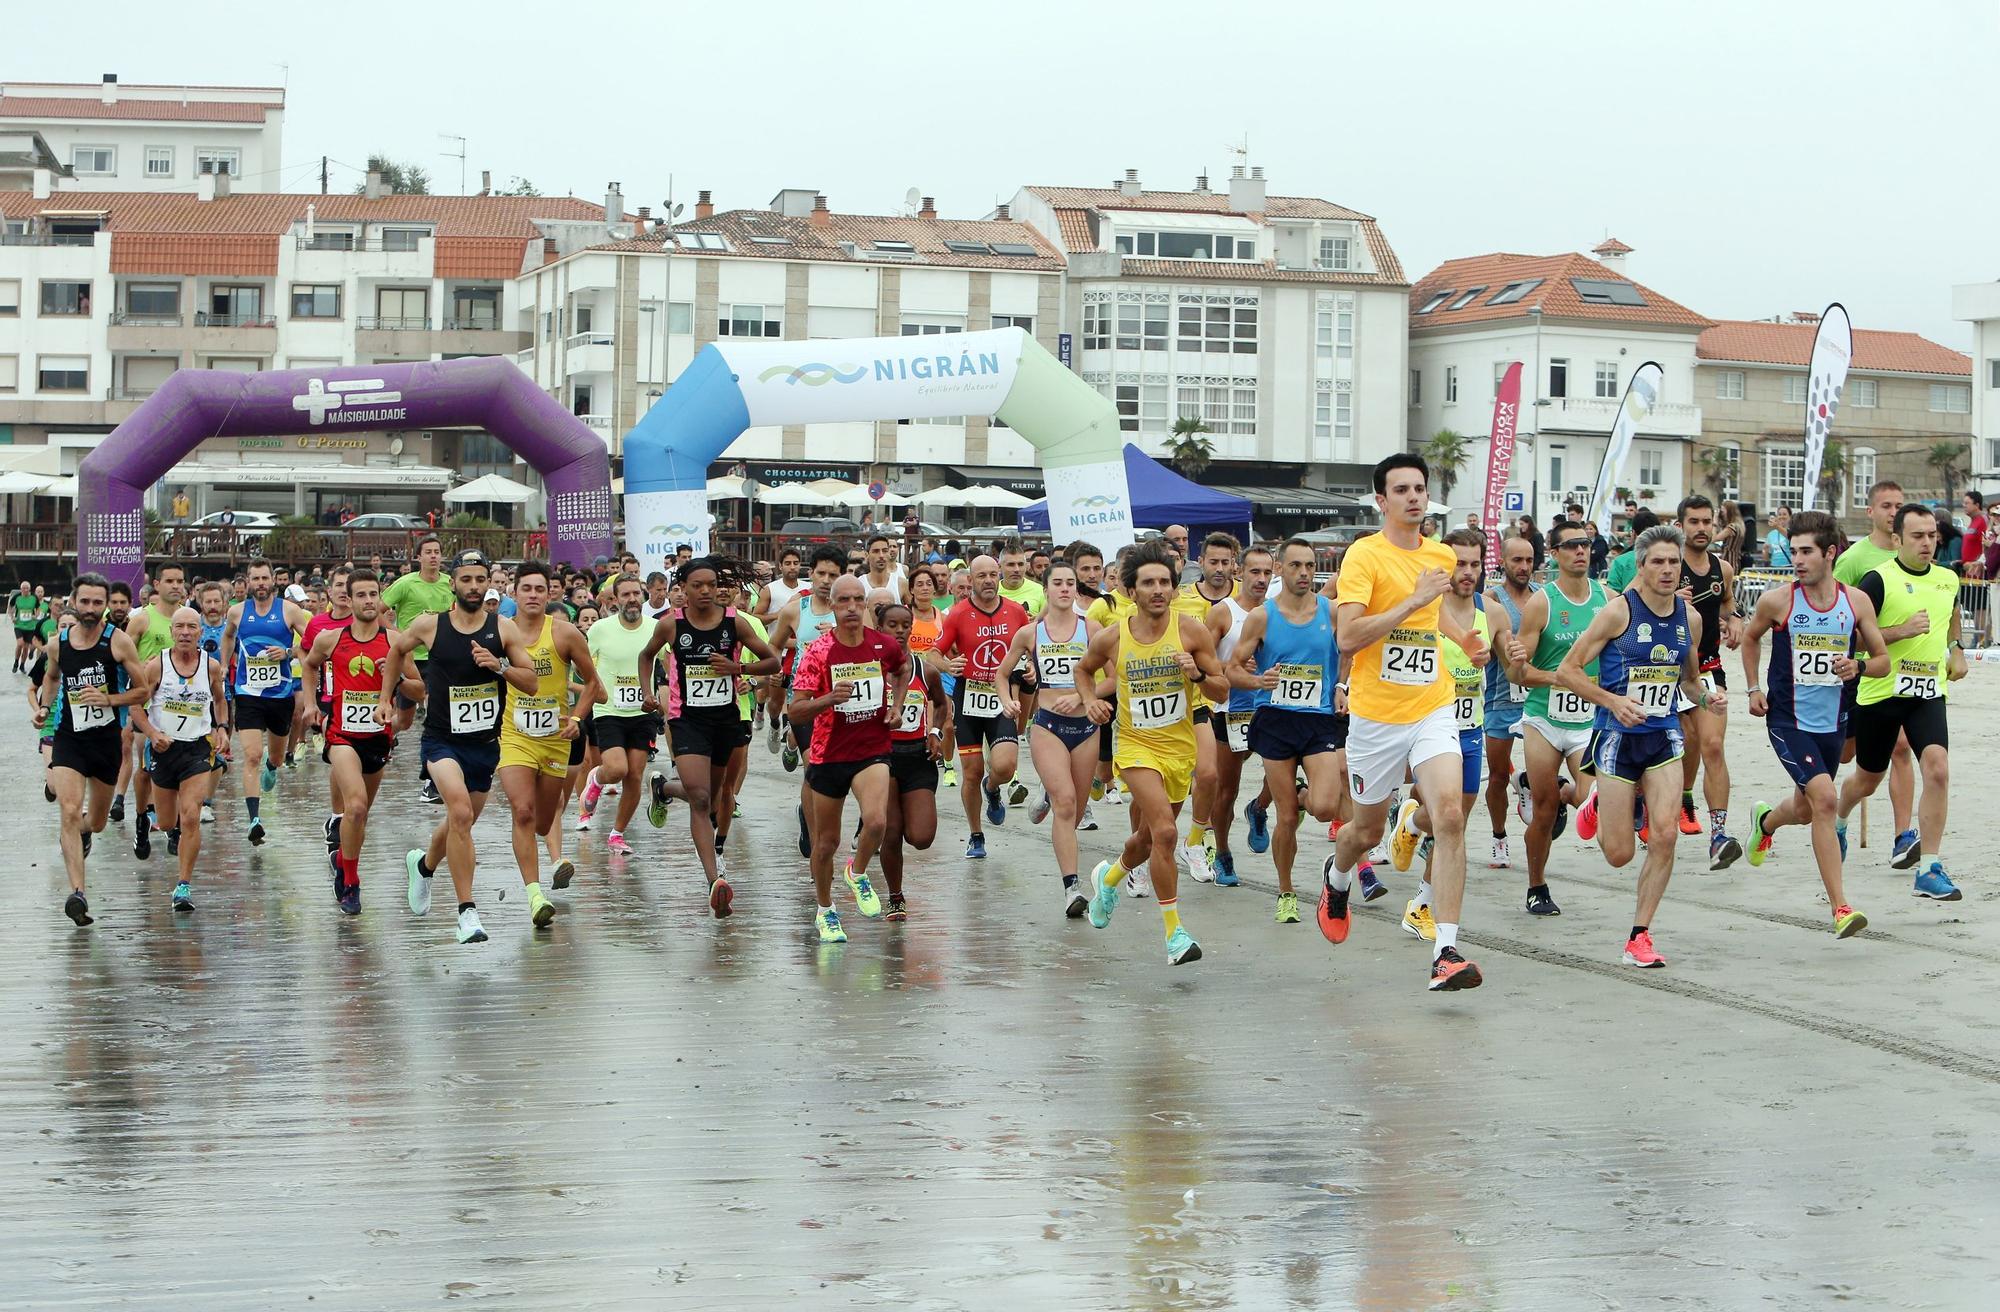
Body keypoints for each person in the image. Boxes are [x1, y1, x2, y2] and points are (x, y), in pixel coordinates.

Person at [1320, 453, 1488, 991]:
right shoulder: (1363, 557)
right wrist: (1412, 597)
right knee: (1364, 831)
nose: (1414, 497)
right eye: (1402, 490)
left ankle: (1446, 950)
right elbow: (1349, 637)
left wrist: (1463, 639)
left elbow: (1431, 612)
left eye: (1420, 488)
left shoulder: (1438, 552)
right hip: (1375, 716)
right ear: (1381, 500)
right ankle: (1338, 876)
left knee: (1451, 815)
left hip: (1433, 706)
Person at [1561, 524, 1721, 967]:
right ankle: (1594, 802)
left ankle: (1640, 935)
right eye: (1658, 562)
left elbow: (1689, 679)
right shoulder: (1618, 613)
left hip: (1665, 734)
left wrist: (1709, 696)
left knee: (1666, 833)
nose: (1668, 570)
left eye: (1675, 562)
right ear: (1641, 566)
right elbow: (1569, 671)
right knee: (1619, 854)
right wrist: (1613, 701)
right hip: (1616, 737)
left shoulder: (1690, 618)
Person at [1076, 539, 1229, 965]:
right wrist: (1090, 701)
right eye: (1149, 583)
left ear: (1175, 589)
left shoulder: (1190, 631)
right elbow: (1083, 671)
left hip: (1179, 750)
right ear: (1132, 591)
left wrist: (1196, 672)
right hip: (1135, 746)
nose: (1158, 589)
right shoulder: (1113, 636)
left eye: (1165, 582)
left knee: (1147, 839)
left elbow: (1220, 688)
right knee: (1164, 833)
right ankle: (1174, 933)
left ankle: (1108, 879)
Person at [1740, 511, 1888, 937]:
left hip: (1832, 723)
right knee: (1824, 799)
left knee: (1806, 809)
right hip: (1787, 720)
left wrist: (1856, 665)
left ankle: (1765, 823)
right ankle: (1841, 907)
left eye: (1807, 551)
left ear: (1830, 553)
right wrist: (1753, 688)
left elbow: (1881, 661)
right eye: (1795, 551)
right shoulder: (1778, 600)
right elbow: (1750, 639)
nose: (1798, 559)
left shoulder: (1855, 602)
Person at [381, 550, 541, 943]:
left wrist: (499, 666)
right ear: (453, 583)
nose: (473, 586)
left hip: (484, 743)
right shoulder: (430, 625)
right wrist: (388, 698)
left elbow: (532, 681)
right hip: (441, 740)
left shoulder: (502, 629)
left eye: (479, 580)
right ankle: (467, 912)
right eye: (466, 579)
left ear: (490, 583)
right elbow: (396, 651)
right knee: (459, 810)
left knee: (462, 820)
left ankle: (423, 866)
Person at [1834, 504, 1967, 899]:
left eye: (1932, 536)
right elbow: (1852, 641)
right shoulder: (1878, 581)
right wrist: (1900, 631)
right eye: (1917, 536)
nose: (1927, 543)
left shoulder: (1948, 578)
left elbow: (1952, 612)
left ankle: (1929, 867)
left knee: (1938, 769)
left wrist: (1956, 648)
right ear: (1897, 540)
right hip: (1880, 692)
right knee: (1867, 779)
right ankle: (1840, 819)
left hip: (1927, 693)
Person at [641, 556, 780, 914]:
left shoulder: (736, 624)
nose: (705, 591)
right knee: (701, 798)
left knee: (717, 797)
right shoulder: (671, 625)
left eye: (711, 585)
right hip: (686, 720)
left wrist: (739, 668)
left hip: (726, 719)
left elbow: (773, 662)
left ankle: (663, 788)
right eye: (697, 586)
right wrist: (647, 693)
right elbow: (646, 657)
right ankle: (714, 879)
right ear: (683, 590)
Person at [789, 573, 910, 942]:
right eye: (845, 601)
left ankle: (856, 874)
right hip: (828, 755)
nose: (853, 607)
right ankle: (825, 911)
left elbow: (902, 669)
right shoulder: (819, 651)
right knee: (825, 843)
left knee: (876, 823)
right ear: (834, 605)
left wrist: (898, 705)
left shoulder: (883, 645)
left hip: (871, 749)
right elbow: (796, 711)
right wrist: (829, 699)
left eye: (859, 600)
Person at [1227, 539, 1342, 924]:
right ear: (1281, 569)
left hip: (1319, 718)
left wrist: (1342, 687)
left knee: (1325, 807)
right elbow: (1232, 669)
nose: (1305, 573)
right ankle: (1286, 890)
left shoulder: (1333, 611)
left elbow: (1352, 653)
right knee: (1287, 819)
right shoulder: (1262, 616)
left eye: (1310, 566)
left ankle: (1298, 791)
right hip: (1275, 718)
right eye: (1295, 566)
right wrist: (1258, 681)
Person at [1388, 530, 1496, 936]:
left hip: (1471, 730)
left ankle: (1413, 832)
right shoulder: (1422, 612)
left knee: (1453, 823)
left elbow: (1516, 667)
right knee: (1448, 816)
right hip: (1427, 727)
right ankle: (1423, 903)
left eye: (1474, 564)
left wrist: (1516, 658)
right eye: (1458, 564)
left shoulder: (1493, 613)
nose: (1466, 573)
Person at [1508, 520, 1609, 915]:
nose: (1580, 552)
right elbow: (1520, 673)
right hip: (1543, 718)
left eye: (1585, 544)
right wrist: (1564, 678)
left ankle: (1566, 790)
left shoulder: (1607, 597)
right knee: (1545, 810)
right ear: (1555, 554)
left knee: (1588, 797)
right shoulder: (1542, 603)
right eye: (1571, 546)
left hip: (1587, 720)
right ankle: (1537, 885)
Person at [494, 561, 603, 927]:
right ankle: (535, 894)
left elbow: (593, 685)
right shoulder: (499, 633)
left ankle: (544, 854)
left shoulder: (566, 634)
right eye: (527, 588)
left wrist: (575, 719)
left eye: (540, 589)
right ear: (515, 593)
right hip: (514, 737)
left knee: (542, 820)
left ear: (550, 593)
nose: (534, 595)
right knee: (521, 811)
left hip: (555, 739)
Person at [39, 574, 149, 926]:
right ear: (74, 601)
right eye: (84, 602)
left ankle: (85, 832)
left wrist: (109, 699)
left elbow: (143, 690)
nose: (90, 609)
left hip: (105, 743)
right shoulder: (58, 644)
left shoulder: (117, 643)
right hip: (69, 740)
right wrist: (44, 706)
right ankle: (78, 894)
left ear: (105, 605)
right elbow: (53, 677)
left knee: (96, 822)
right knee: (69, 810)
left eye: (97, 603)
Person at [997, 561, 1102, 917]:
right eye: (1057, 583)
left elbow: (1117, 676)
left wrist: (1086, 695)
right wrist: (1007, 699)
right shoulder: (1030, 633)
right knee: (1067, 803)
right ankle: (1071, 888)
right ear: (1045, 589)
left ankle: (1047, 792)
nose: (1064, 588)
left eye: (1070, 583)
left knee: (1073, 812)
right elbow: (1001, 673)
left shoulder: (1092, 629)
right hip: (1047, 726)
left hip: (1086, 727)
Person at [297, 569, 394, 915]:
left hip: (378, 738)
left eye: (373, 594)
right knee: (354, 806)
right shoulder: (330, 638)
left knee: (361, 816)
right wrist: (310, 705)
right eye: (362, 595)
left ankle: (344, 858)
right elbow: (308, 666)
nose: (369, 601)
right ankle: (351, 880)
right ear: (348, 600)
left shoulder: (395, 642)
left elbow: (417, 689)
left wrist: (392, 676)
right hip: (340, 734)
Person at [926, 555, 1031, 859]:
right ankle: (976, 835)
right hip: (968, 697)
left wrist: (1032, 668)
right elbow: (932, 653)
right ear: (970, 580)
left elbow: (1031, 646)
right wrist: (948, 665)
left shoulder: (1015, 612)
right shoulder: (958, 614)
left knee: (1005, 766)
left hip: (1001, 698)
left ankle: (994, 787)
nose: (988, 580)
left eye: (992, 575)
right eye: (981, 575)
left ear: (999, 577)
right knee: (970, 772)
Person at [130, 605, 228, 912]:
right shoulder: (156, 666)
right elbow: (135, 707)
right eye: (179, 627)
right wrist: (151, 733)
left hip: (197, 749)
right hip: (163, 750)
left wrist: (222, 727)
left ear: (200, 633)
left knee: (190, 816)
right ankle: (147, 823)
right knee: (167, 820)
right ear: (171, 632)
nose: (185, 633)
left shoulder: (210, 667)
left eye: (191, 627)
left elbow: (220, 700)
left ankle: (183, 886)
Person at [1668, 496, 1744, 868]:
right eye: (1693, 522)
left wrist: (1736, 620)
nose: (1701, 528)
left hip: (1709, 669)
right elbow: (1628, 603)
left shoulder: (1723, 568)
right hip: (1666, 674)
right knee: (1683, 746)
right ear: (1680, 526)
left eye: (1706, 522)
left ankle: (1718, 835)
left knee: (1712, 745)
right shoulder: (1665, 565)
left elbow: (1728, 602)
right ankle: (1674, 800)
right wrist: (1665, 597)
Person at [576, 574, 674, 853]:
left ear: (643, 597)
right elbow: (582, 664)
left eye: (636, 594)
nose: (632, 599)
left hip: (642, 710)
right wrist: (594, 688)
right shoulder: (600, 629)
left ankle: (617, 834)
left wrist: (666, 698)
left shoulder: (657, 628)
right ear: (614, 600)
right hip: (609, 709)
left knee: (635, 775)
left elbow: (669, 665)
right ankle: (596, 779)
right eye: (626, 595)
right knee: (617, 769)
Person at [219, 561, 311, 846]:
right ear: (247, 581)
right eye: (255, 578)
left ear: (273, 580)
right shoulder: (236, 611)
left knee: (274, 757)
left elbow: (312, 641)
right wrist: (224, 664)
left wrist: (287, 652)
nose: (260, 583)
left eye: (264, 578)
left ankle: (274, 767)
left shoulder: (289, 610)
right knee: (252, 756)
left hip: (280, 695)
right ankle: (254, 819)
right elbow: (228, 636)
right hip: (248, 694)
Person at [1170, 532, 1240, 886]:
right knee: (1186, 783)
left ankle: (1198, 841)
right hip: (1185, 703)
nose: (1219, 569)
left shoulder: (1245, 600)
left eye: (1226, 562)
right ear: (1201, 561)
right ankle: (1157, 847)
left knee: (1215, 779)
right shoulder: (1180, 600)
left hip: (1231, 700)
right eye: (1213, 562)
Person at [1205, 544, 1274, 888]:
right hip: (1231, 709)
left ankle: (1259, 808)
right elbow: (1202, 659)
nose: (1261, 579)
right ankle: (1221, 852)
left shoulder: (1279, 612)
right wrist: (1231, 665)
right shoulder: (1223, 612)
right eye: (1255, 572)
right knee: (1226, 789)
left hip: (1271, 706)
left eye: (1267, 573)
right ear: (1239, 572)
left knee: (1283, 778)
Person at [1481, 535, 1538, 869]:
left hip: (1535, 697)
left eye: (1529, 560)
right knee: (1499, 775)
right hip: (1501, 698)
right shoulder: (1492, 600)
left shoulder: (1542, 599)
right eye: (1517, 560)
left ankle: (1528, 784)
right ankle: (1499, 836)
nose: (1524, 567)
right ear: (1502, 562)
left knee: (1542, 767)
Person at [381, 535, 453, 801]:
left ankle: (431, 779)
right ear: (419, 557)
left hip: (440, 658)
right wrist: (397, 635)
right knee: (405, 721)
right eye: (428, 552)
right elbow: (378, 610)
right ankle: (384, 735)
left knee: (435, 713)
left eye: (437, 552)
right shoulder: (405, 584)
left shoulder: (450, 584)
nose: (433, 556)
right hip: (410, 657)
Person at [123, 563, 186, 857]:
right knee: (147, 767)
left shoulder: (188, 618)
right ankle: (140, 818)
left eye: (180, 581)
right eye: (170, 581)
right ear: (157, 584)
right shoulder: (141, 620)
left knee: (181, 767)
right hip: (147, 705)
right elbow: (122, 657)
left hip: (181, 705)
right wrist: (142, 666)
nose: (176, 586)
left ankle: (174, 828)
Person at [12, 579, 40, 673]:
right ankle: (16, 662)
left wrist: (35, 616)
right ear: (21, 589)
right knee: (20, 644)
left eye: (27, 588)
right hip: (19, 625)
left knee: (26, 648)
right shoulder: (17, 597)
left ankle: (22, 665)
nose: (25, 590)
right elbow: (10, 607)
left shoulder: (34, 597)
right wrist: (12, 617)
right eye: (23, 588)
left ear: (29, 589)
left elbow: (38, 608)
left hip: (30, 627)